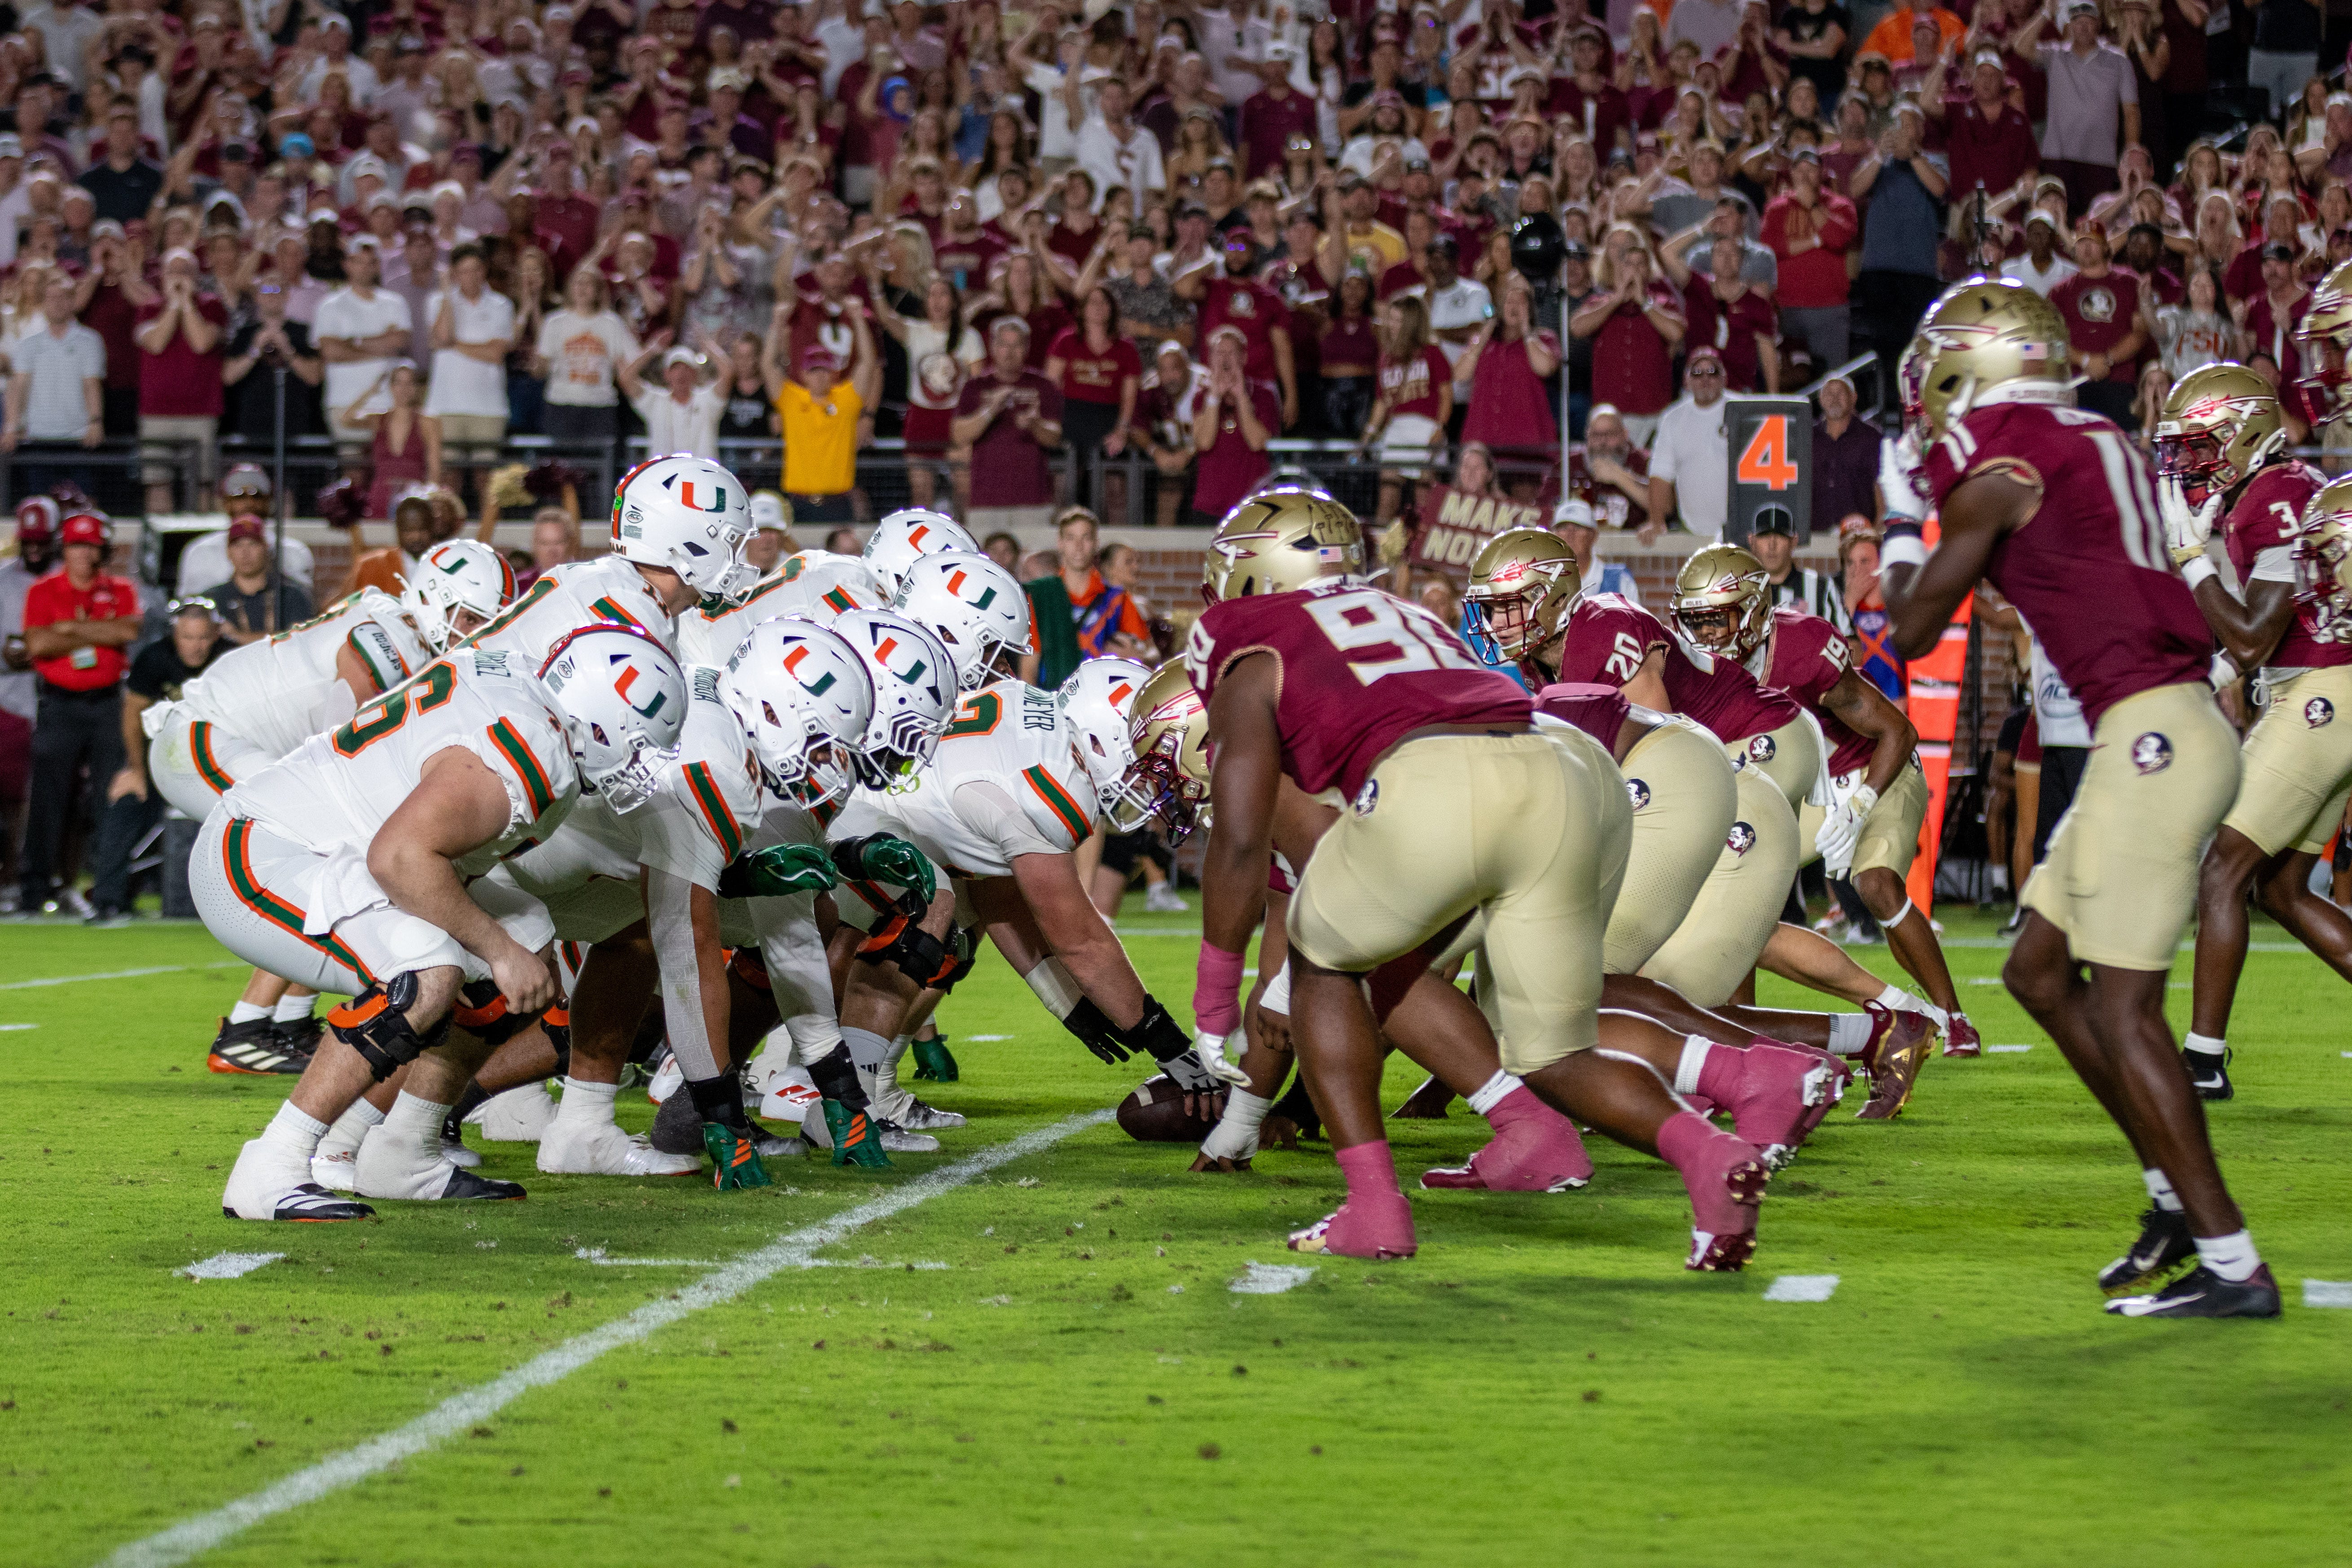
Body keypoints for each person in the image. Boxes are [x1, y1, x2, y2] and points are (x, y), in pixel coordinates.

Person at [1190, 492, 1781, 1267]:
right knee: (1550, 1049)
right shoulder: (1408, 616)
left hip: (1447, 778)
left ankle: (1375, 1207)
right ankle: (1708, 1155)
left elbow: (1240, 837)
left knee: (1320, 956)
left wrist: (1216, 994)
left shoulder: (1246, 641)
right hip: (1566, 769)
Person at [1885, 277, 2274, 1318]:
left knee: (2126, 1009)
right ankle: (2172, 1200)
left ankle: (2230, 1260)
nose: (1926, 387)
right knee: (2036, 970)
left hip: (2152, 733)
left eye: (1939, 363)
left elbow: (1912, 628)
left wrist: (1898, 519)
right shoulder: (2090, 435)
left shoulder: (2007, 459)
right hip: (2153, 724)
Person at [206, 630, 688, 1222]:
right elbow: (399, 859)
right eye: (636, 747)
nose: (638, 766)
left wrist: (506, 950)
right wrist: (495, 949)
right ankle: (275, 1163)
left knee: (529, 939)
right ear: (598, 722)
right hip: (267, 849)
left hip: (339, 846)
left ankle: (405, 1151)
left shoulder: (525, 685)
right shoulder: (530, 756)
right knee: (428, 972)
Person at [1672, 545, 1980, 1055]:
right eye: (1694, 620)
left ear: (1752, 611)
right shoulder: (1695, 673)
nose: (1704, 635)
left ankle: (1952, 1017)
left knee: (1875, 884)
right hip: (1801, 789)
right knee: (1733, 899)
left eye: (1716, 619)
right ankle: (1741, 1028)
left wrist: (1861, 804)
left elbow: (1898, 731)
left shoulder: (1800, 648)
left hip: (1872, 770)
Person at [2151, 363, 2352, 1103]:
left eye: (2201, 445)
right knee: (2283, 889)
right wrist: (2208, 674)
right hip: (2322, 693)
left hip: (2321, 696)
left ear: (2245, 435)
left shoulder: (2276, 495)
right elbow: (2255, 641)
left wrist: (2191, 560)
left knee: (2222, 871)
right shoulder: (2274, 492)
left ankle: (2202, 1059)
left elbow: (2252, 635)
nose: (2189, 463)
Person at [17, 509, 140, 918]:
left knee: (111, 797)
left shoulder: (120, 588)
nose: (84, 553)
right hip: (60, 703)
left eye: (91, 546)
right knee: (47, 799)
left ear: (102, 549)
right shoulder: (43, 589)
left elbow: (128, 631)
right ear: (64, 549)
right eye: (76, 545)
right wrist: (100, 632)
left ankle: (109, 894)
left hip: (108, 703)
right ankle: (33, 892)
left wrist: (68, 630)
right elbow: (38, 644)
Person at [92, 595, 229, 926]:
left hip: (219, 761)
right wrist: (135, 769)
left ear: (215, 635)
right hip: (162, 759)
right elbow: (132, 713)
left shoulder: (230, 659)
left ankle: (236, 905)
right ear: (174, 635)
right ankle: (109, 902)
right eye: (188, 638)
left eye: (203, 638)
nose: (196, 647)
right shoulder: (154, 658)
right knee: (126, 803)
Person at [1850, 102, 1949, 368]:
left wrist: (1914, 156)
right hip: (1878, 269)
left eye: (1908, 124)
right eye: (1897, 124)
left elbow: (1940, 189)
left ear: (1921, 130)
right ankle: (1886, 393)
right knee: (1882, 344)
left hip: (1919, 271)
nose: (1901, 131)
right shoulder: (1879, 161)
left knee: (1916, 345)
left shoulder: (1935, 161)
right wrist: (1879, 155)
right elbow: (1855, 188)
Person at [135, 246, 227, 515]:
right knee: (157, 484)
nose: (179, 277)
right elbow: (156, 343)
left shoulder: (212, 306)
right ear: (162, 276)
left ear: (197, 277)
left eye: (185, 271)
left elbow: (202, 343)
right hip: (156, 412)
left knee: (203, 485)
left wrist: (186, 303)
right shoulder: (149, 308)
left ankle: (203, 537)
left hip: (201, 411)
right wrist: (174, 306)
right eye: (172, 271)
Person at [1021, 506, 1152, 690]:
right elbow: (1029, 668)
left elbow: (1152, 654)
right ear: (1060, 543)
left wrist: (1135, 657)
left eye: (1086, 538)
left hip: (1104, 700)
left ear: (1096, 543)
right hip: (1053, 699)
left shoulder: (1116, 599)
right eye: (1071, 538)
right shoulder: (1041, 596)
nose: (1079, 546)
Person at [953, 316, 1064, 532]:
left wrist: (1035, 424)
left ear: (1027, 348)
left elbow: (1055, 437)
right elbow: (959, 434)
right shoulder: (975, 386)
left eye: (1016, 345)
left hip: (1033, 501)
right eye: (1004, 344)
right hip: (985, 501)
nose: (1009, 352)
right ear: (993, 347)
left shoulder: (1043, 386)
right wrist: (990, 411)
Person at [0, 500, 58, 903]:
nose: (34, 548)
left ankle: (57, 882)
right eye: (28, 540)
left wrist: (45, 650)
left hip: (61, 699)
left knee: (62, 800)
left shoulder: (69, 578)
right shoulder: (3, 581)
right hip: (10, 700)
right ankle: (10, 880)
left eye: (41, 540)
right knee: (10, 798)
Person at [0, 271, 105, 495]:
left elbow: (91, 384)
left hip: (78, 438)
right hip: (38, 438)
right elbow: (18, 388)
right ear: (44, 303)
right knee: (40, 506)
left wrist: (95, 422)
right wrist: (11, 427)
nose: (57, 303)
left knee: (82, 505)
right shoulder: (29, 345)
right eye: (51, 298)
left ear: (73, 301)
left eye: (63, 297)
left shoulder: (90, 341)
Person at [314, 238, 413, 460]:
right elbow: (331, 352)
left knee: (389, 466)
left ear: (378, 266)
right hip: (344, 401)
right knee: (354, 469)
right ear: (347, 264)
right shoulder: (330, 305)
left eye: (371, 262)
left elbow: (400, 342)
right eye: (358, 261)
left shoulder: (395, 302)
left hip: (388, 403)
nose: (365, 268)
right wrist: (382, 345)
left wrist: (352, 342)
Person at [422, 243, 517, 474]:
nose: (471, 276)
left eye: (476, 269)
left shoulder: (501, 305)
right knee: (448, 476)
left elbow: (495, 354)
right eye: (464, 271)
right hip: (445, 406)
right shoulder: (437, 301)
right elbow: (443, 336)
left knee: (486, 477)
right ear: (455, 274)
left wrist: (454, 345)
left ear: (484, 270)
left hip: (489, 407)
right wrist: (447, 294)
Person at [534, 267, 639, 446]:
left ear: (598, 291)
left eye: (589, 284)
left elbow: (630, 361)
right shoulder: (554, 322)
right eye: (578, 283)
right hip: (561, 405)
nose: (582, 288)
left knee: (599, 460)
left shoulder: (612, 324)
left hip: (600, 406)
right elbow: (541, 366)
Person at [1189, 325, 1281, 522]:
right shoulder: (1201, 398)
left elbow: (1257, 442)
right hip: (1211, 504)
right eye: (1219, 353)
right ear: (1210, 359)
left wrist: (1241, 396)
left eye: (1231, 353)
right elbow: (1204, 442)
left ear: (1244, 358)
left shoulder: (1264, 396)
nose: (1225, 359)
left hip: (1253, 504)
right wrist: (1214, 397)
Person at [222, 280, 324, 444]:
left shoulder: (303, 332)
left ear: (287, 296)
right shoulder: (245, 334)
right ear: (257, 297)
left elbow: (315, 377)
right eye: (266, 290)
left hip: (296, 421)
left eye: (277, 290)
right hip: (253, 422)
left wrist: (288, 351)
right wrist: (254, 351)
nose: (271, 295)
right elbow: (228, 377)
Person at [1649, 347, 1731, 540]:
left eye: (1712, 372)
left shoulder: (1742, 410)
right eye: (1697, 373)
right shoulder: (1673, 419)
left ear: (1724, 378)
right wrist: (1656, 522)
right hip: (1692, 532)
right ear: (1686, 380)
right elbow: (1660, 475)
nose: (1705, 379)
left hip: (1741, 531)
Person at [196, 518, 313, 647]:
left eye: (253, 544)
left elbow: (300, 642)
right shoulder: (212, 599)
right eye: (238, 545)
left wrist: (236, 636)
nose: (245, 553)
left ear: (266, 549)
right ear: (228, 552)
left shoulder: (291, 596)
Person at [621, 344, 730, 463]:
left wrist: (707, 345)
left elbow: (728, 373)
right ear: (666, 374)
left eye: (687, 369)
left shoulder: (708, 400)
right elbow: (626, 378)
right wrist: (653, 349)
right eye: (676, 369)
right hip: (664, 472)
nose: (681, 374)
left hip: (701, 471)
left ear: (695, 374)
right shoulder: (655, 401)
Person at [1811, 374, 1878, 546]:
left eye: (1840, 393)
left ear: (1854, 398)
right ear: (1821, 400)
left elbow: (1881, 487)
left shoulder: (1871, 438)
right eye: (1829, 394)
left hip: (1859, 537)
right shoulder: (1808, 438)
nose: (1834, 399)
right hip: (1815, 537)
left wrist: (1876, 533)